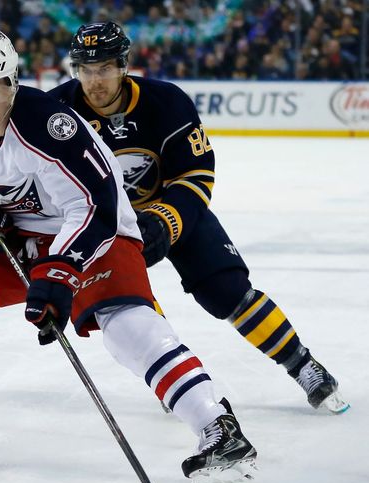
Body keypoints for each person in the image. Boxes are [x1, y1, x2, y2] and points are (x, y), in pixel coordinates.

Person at [0, 29, 257, 483]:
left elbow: (95, 205)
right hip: (22, 245)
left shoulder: (49, 124)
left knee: (124, 325)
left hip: (101, 236)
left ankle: (217, 427)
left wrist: (59, 273)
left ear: (13, 83)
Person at [49, 22, 348, 414]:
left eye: (103, 67)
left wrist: (166, 219)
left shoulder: (166, 101)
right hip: (106, 224)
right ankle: (179, 381)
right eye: (85, 69)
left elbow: (196, 173)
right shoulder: (56, 112)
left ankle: (302, 363)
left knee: (227, 291)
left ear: (123, 65)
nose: (94, 80)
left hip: (170, 207)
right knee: (131, 309)